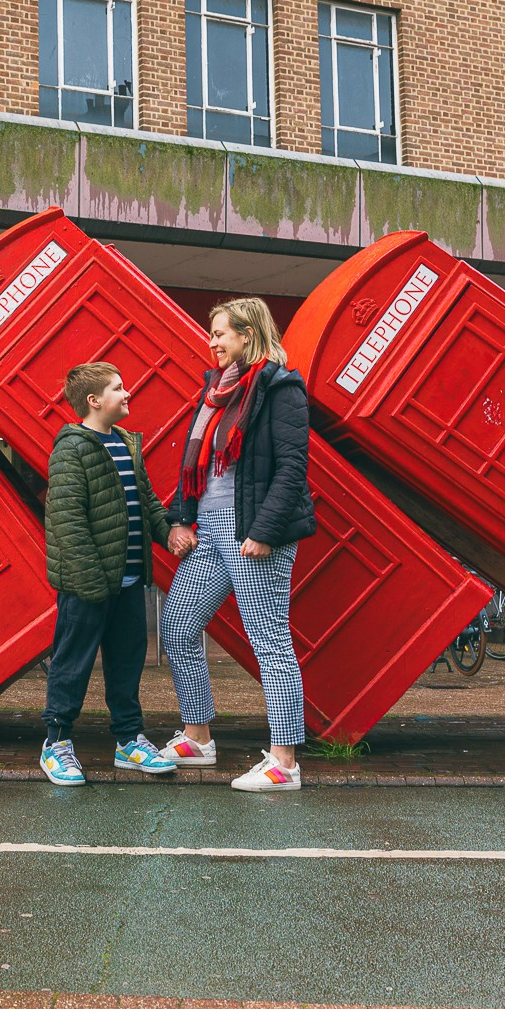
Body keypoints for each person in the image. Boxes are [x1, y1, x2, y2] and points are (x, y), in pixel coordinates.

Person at [156, 298, 315, 792]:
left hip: (252, 533)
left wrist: (264, 532)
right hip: (209, 530)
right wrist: (180, 519)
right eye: (213, 334)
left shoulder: (282, 388)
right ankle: (198, 736)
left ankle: (284, 764)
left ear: (248, 335)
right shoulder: (215, 393)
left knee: (270, 644)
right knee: (178, 626)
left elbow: (292, 470)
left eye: (221, 333)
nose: (212, 342)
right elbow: (196, 464)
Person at [38, 362, 179, 786]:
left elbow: (147, 500)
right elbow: (67, 521)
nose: (127, 393)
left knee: (127, 663)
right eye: (119, 388)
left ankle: (128, 741)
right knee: (72, 663)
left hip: (131, 580)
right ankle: (55, 744)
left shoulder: (125, 443)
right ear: (94, 401)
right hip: (89, 586)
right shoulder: (72, 447)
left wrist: (168, 532)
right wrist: (92, 582)